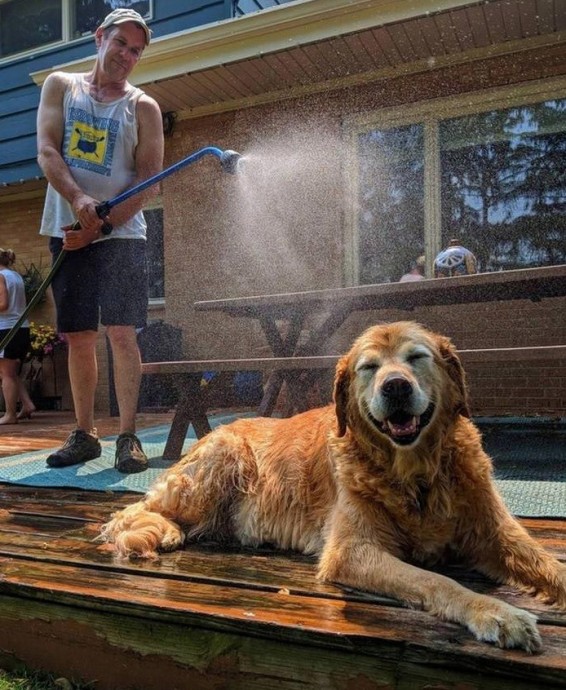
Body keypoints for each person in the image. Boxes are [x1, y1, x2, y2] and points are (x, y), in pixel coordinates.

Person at [36, 9, 164, 472]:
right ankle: (85, 433)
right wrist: (79, 203)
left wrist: (103, 226)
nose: (127, 56)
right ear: (99, 38)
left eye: (136, 51)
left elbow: (150, 181)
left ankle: (128, 435)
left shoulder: (142, 106)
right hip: (67, 230)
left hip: (122, 236)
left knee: (122, 333)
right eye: (121, 44)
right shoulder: (60, 87)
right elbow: (48, 151)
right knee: (79, 335)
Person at [0, 249, 36, 425]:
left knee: (6, 373)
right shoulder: (15, 276)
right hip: (22, 327)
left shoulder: (0, 276)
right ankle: (27, 404)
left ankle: (10, 414)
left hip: (6, 328)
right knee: (11, 371)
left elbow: (3, 304)